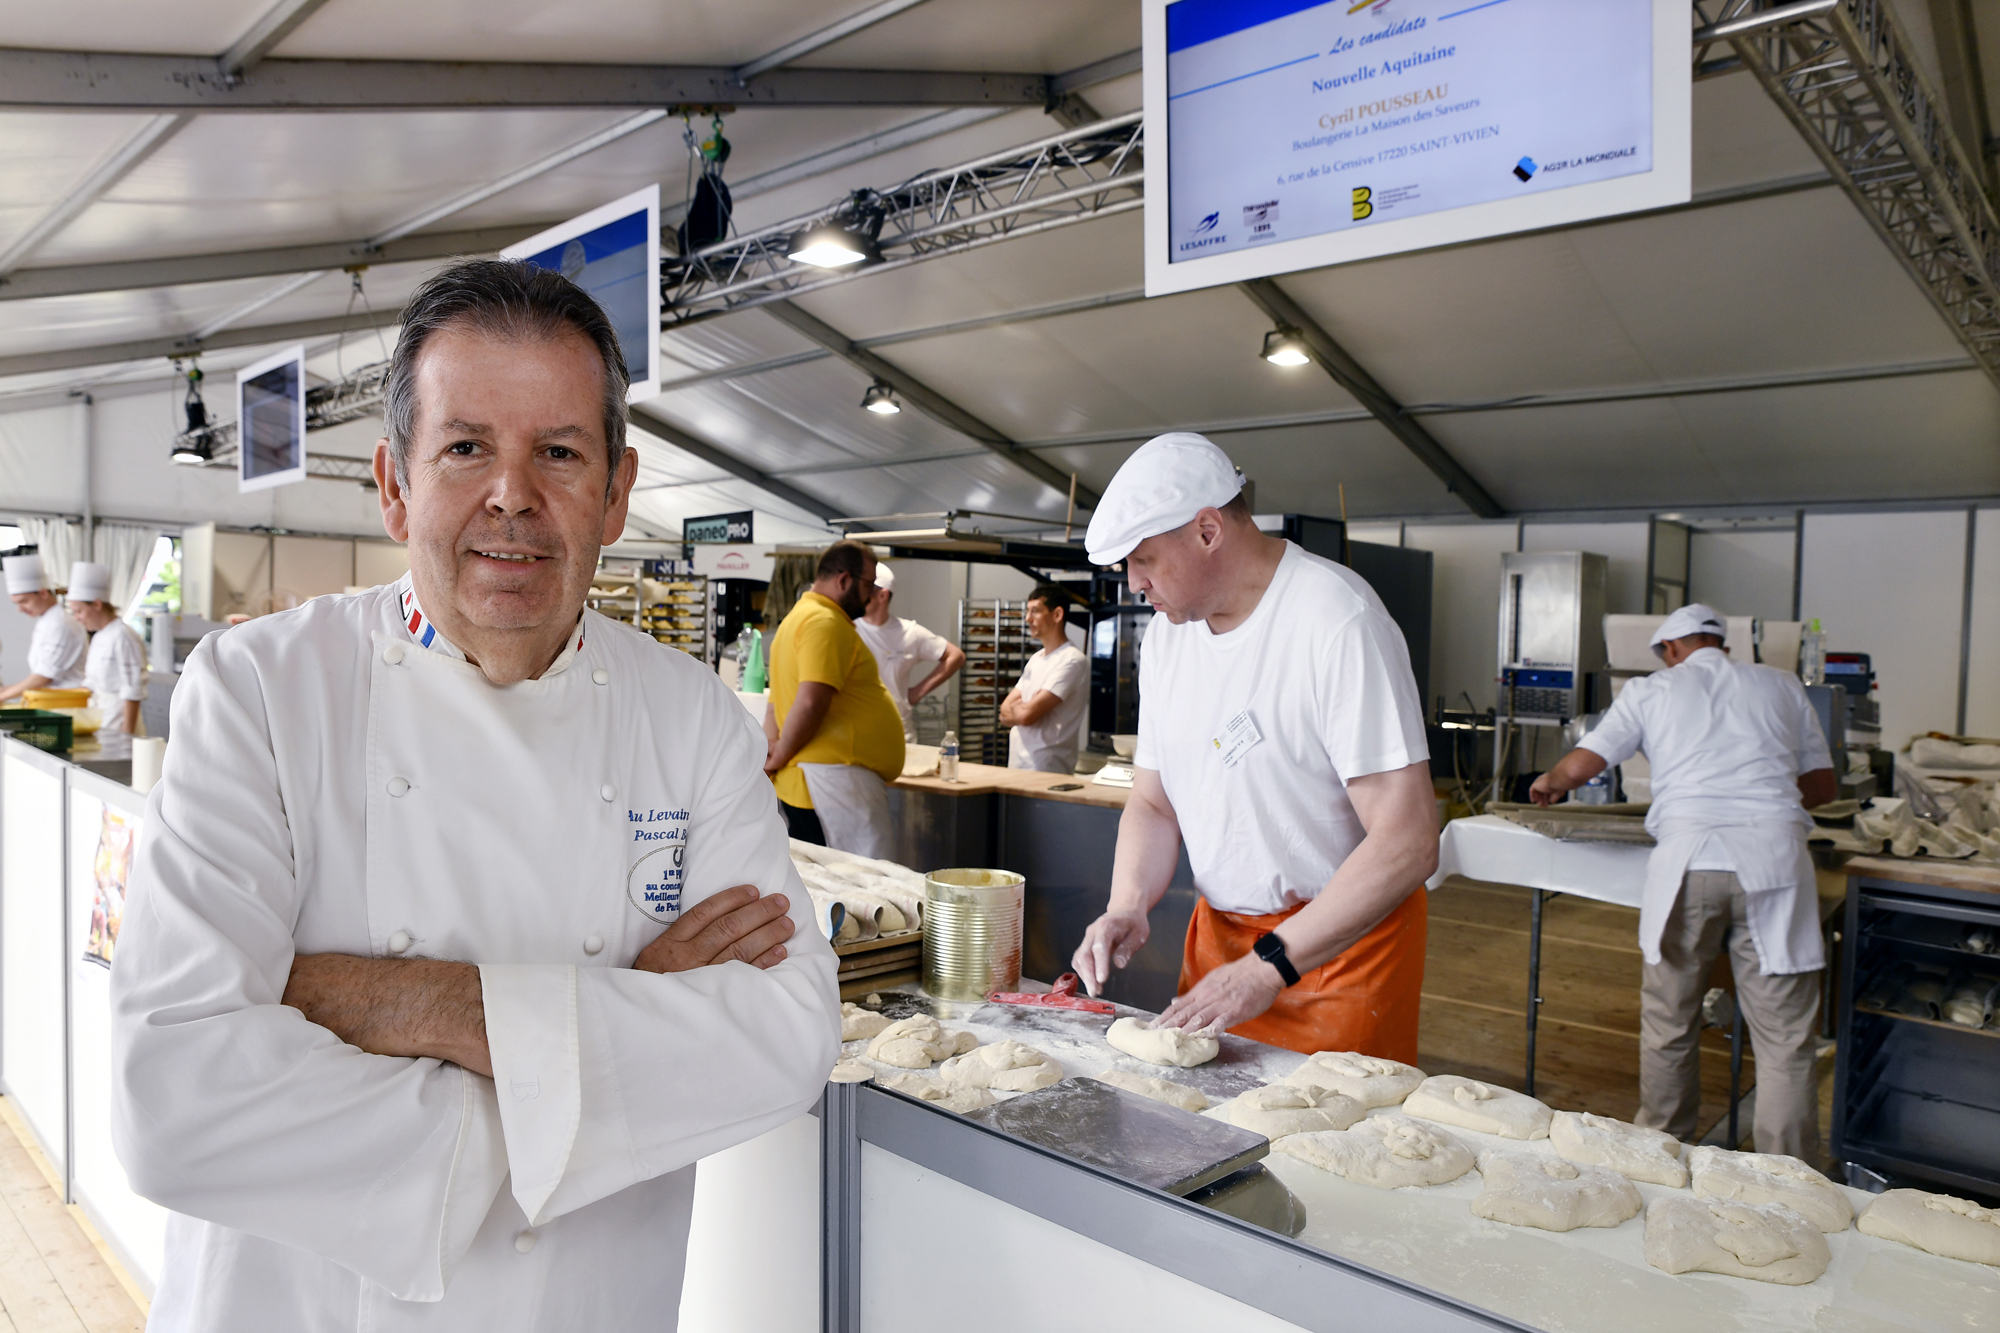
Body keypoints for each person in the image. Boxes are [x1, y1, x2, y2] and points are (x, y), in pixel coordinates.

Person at [110, 259, 840, 1332]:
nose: (513, 494)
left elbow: (784, 1035)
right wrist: (617, 1032)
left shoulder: (688, 718)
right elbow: (174, 1103)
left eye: (558, 452)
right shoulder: (260, 691)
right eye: (466, 448)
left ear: (617, 491)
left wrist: (385, 1000)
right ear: (395, 482)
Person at [1070, 433, 1438, 1058]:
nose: (1133, 584)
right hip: (1221, 950)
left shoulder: (1335, 621)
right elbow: (1154, 803)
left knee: (1329, 1148)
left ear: (1208, 531)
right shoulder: (1167, 639)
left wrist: (1270, 967)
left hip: (1343, 958)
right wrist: (1127, 904)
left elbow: (1408, 840)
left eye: (1143, 560)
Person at [1530, 603, 1835, 1158]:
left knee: (1672, 1019)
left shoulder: (1652, 691)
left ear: (1671, 651)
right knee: (1785, 1039)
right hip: (1775, 864)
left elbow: (1581, 766)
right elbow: (1822, 786)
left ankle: (1661, 1151)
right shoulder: (1782, 684)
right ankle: (1788, 1176)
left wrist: (1549, 782)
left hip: (1689, 865)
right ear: (1722, 643)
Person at [764, 541, 906, 858]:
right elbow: (812, 701)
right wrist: (776, 758)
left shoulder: (794, 621)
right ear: (843, 580)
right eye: (869, 584)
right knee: (858, 890)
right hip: (833, 783)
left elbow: (775, 704)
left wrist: (770, 754)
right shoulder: (824, 622)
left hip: (816, 782)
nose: (871, 595)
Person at [855, 562, 964, 741]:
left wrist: (915, 694)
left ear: (882, 595)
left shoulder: (909, 633)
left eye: (865, 590)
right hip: (857, 733)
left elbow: (956, 656)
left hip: (898, 733)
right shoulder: (848, 628)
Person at [998, 583, 1090, 773]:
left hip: (1046, 766)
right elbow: (1004, 712)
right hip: (1018, 762)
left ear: (1057, 614)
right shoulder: (1035, 659)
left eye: (1035, 612)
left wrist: (1021, 708)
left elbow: (1025, 716)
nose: (1027, 619)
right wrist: (1022, 709)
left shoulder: (1072, 660)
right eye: (1027, 612)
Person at [65, 560, 147, 761]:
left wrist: (126, 736)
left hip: (120, 721)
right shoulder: (99, 636)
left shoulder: (123, 636)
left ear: (97, 604)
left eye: (79, 611)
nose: (77, 618)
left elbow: (132, 690)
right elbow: (90, 685)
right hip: (100, 719)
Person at [1, 551, 87, 700]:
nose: (20, 609)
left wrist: (4, 695)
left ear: (42, 593)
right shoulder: (47, 621)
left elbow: (44, 675)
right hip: (50, 700)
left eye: (24, 601)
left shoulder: (61, 624)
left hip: (67, 702)